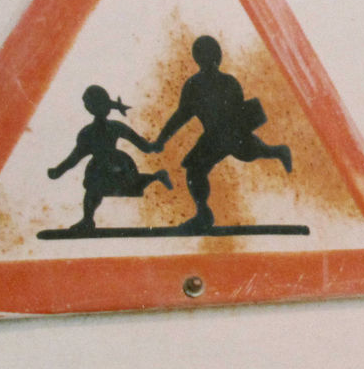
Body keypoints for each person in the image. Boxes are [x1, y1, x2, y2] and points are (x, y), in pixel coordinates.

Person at [153, 34, 291, 230]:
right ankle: (203, 214)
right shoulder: (195, 85)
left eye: (208, 54)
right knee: (196, 169)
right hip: (216, 137)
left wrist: (161, 140)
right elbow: (181, 116)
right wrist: (161, 139)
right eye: (203, 55)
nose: (207, 59)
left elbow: (239, 116)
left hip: (230, 135)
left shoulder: (225, 82)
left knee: (246, 154)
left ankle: (277, 151)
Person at [48, 85, 171, 230]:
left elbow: (74, 158)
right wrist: (58, 170)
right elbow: (75, 157)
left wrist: (58, 171)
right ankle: (156, 176)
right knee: (99, 188)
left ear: (89, 107)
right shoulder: (93, 131)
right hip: (109, 165)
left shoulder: (91, 132)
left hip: (112, 164)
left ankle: (88, 220)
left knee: (100, 188)